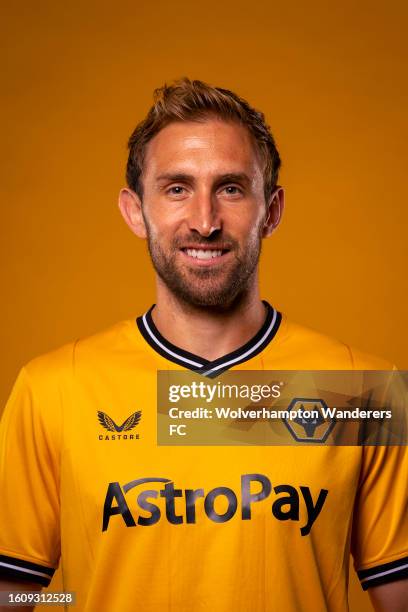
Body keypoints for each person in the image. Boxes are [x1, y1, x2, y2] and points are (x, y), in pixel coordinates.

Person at [0, 78, 406, 612]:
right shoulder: (53, 387)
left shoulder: (364, 392)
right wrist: (82, 598)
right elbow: (18, 595)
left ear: (272, 210)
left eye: (231, 188)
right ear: (134, 211)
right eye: (176, 188)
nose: (205, 221)